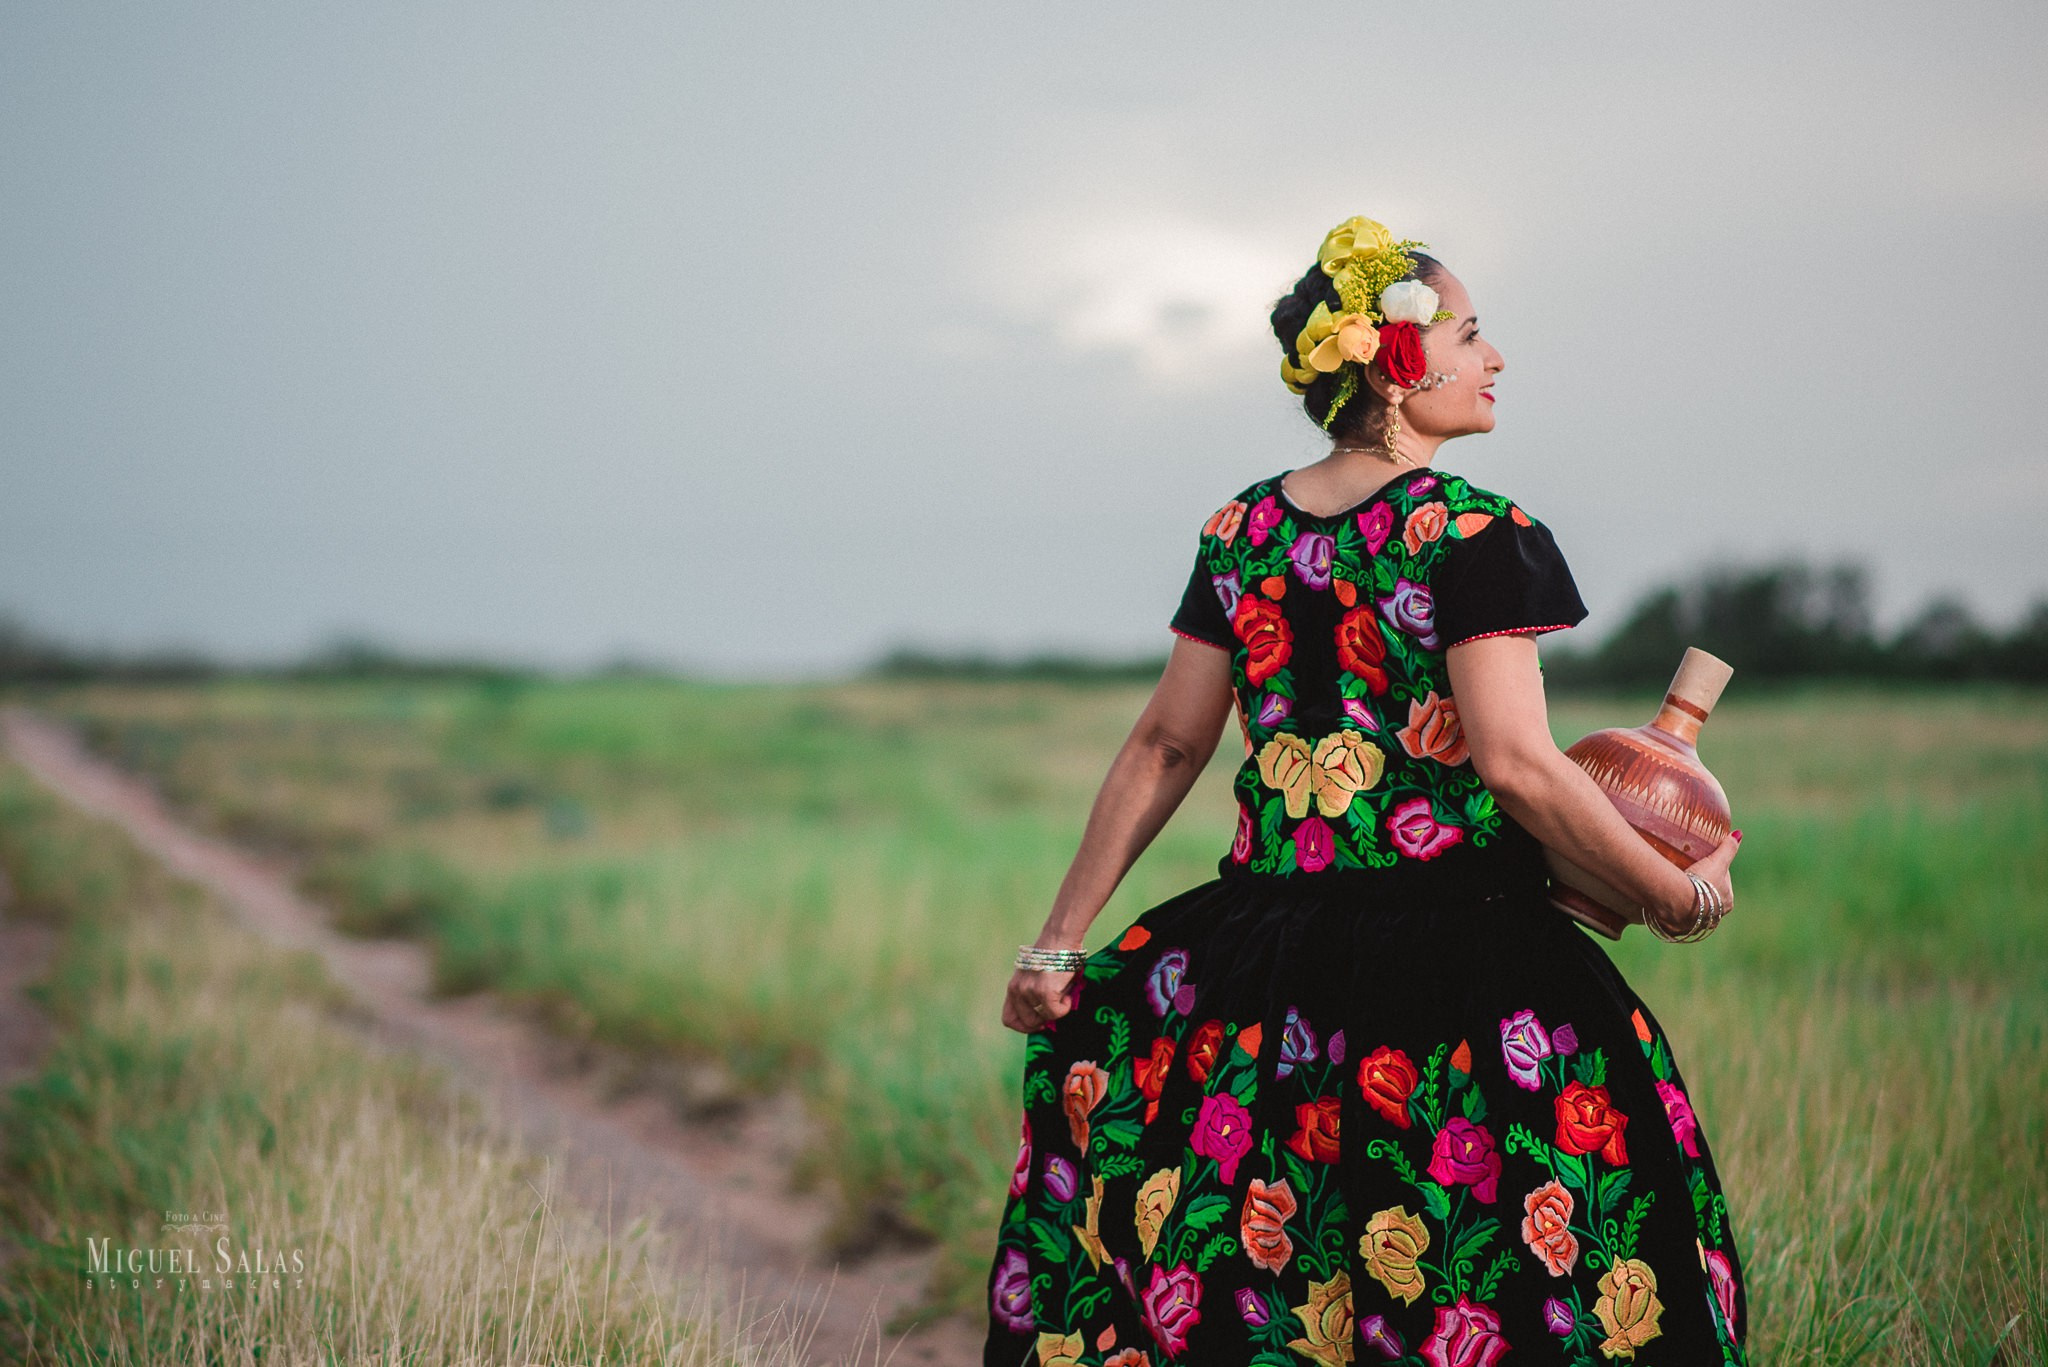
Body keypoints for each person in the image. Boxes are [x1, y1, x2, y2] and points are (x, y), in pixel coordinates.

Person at [982, 215, 1748, 1366]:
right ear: (1399, 362)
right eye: (1472, 334)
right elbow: (1516, 765)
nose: (1495, 359)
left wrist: (1056, 943)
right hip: (1457, 964)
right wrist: (1673, 896)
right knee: (1496, 1273)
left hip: (1255, 971)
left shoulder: (1240, 528)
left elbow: (1161, 746)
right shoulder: (1479, 534)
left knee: (1265, 1270)